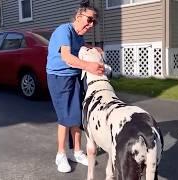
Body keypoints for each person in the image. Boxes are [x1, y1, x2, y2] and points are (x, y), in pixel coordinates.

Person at [46, 1, 105, 173]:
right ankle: (61, 154)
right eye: (89, 19)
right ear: (79, 16)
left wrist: (93, 48)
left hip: (73, 75)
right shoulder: (64, 30)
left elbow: (80, 46)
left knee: (77, 115)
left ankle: (78, 151)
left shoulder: (78, 35)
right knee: (65, 116)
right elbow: (67, 57)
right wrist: (89, 66)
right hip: (59, 77)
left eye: (94, 22)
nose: (91, 24)